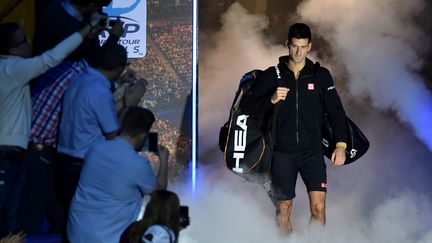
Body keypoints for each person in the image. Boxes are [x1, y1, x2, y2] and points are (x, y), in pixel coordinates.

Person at [243, 23, 348, 233]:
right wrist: (270, 100)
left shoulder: (320, 76)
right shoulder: (272, 75)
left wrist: (341, 145)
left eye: (303, 46)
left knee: (318, 209)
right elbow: (247, 108)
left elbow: (336, 112)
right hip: (282, 153)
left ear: (310, 46)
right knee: (283, 209)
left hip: (312, 153)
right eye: (294, 46)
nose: (298, 52)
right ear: (287, 45)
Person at [0, 20, 97, 236]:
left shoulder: (10, 70)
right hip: (8, 155)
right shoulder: (13, 69)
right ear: (13, 50)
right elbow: (50, 58)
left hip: (17, 156)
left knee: (13, 217)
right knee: (14, 219)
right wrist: (86, 31)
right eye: (24, 40)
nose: (29, 43)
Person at [57, 43, 145, 223]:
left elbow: (99, 111)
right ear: (119, 67)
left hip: (64, 161)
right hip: (82, 165)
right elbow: (114, 136)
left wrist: (120, 85)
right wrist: (129, 104)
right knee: (85, 218)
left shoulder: (81, 80)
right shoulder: (99, 91)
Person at [67, 107, 169, 243]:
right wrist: (164, 160)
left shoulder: (95, 147)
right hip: (106, 239)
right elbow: (160, 191)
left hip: (75, 232)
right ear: (143, 136)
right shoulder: (138, 164)